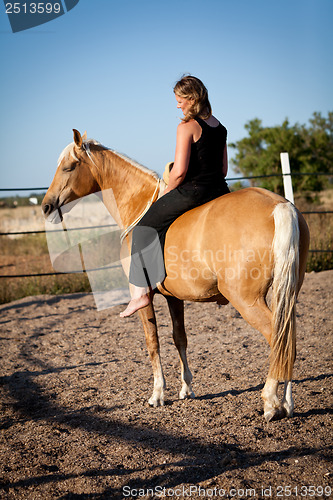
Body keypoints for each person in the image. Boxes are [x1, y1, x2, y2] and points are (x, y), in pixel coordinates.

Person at [120, 75, 230, 317]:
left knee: (143, 228)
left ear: (191, 99)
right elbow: (223, 170)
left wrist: (168, 192)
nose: (177, 105)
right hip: (220, 191)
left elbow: (179, 172)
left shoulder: (186, 127)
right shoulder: (220, 127)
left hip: (194, 192)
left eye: (180, 100)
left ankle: (141, 294)